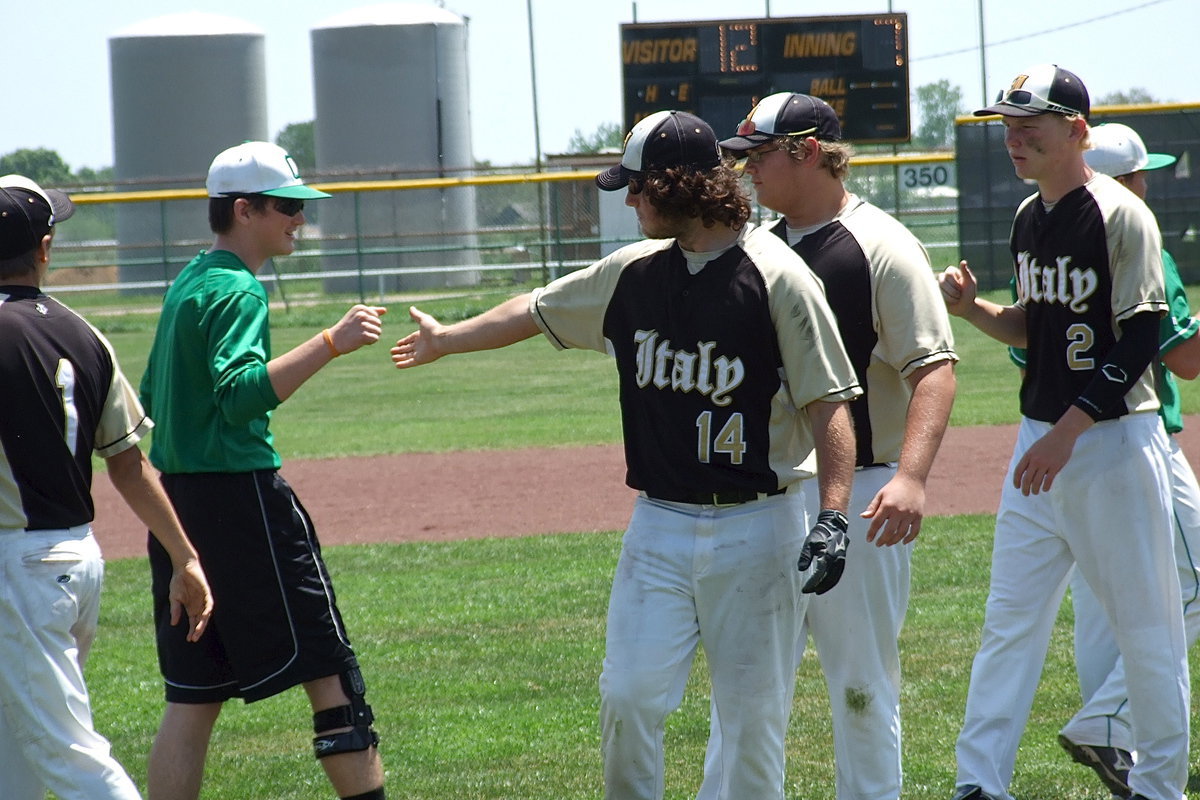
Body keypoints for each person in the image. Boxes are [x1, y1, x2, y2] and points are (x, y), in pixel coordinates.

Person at [390, 109, 862, 800]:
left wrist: (835, 516)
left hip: (759, 524)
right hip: (660, 525)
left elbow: (830, 405)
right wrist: (446, 339)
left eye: (638, 186)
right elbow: (534, 309)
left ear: (678, 186)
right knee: (630, 699)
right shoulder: (633, 273)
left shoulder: (778, 277)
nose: (629, 199)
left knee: (754, 727)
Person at [939, 65, 1189, 800]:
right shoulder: (1028, 217)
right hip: (1040, 441)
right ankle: (978, 784)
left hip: (1110, 442)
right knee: (1009, 622)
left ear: (1076, 129)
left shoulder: (1118, 213)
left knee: (1148, 631)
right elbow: (1034, 324)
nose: (1014, 139)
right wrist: (974, 311)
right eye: (1008, 127)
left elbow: (1142, 336)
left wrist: (1069, 431)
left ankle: (1161, 788)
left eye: (1031, 126)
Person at [708, 91, 958, 800]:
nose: (747, 171)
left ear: (807, 151)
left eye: (759, 156)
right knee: (746, 688)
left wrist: (911, 478)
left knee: (859, 685)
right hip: (769, 497)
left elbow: (934, 369)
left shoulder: (881, 245)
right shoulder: (756, 246)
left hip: (864, 491)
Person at [139, 142, 387, 800]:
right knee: (332, 673)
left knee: (193, 699)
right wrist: (330, 342)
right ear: (244, 210)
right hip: (242, 502)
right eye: (287, 207)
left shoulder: (190, 281)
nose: (299, 219)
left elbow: (153, 397)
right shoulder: (236, 290)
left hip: (179, 508)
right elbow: (242, 393)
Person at [0, 174, 213, 800]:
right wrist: (186, 555)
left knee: (65, 752)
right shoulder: (85, 336)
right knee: (14, 745)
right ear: (43, 249)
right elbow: (128, 465)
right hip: (75, 562)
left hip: (20, 569)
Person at [1021, 121, 1198, 798]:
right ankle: (1111, 723)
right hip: (1133, 434)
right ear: (1122, 181)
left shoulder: (1059, 232)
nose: (1146, 184)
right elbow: (1180, 354)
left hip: (1075, 431)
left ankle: (1113, 726)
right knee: (1180, 591)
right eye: (1140, 174)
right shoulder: (1136, 235)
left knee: (1105, 605)